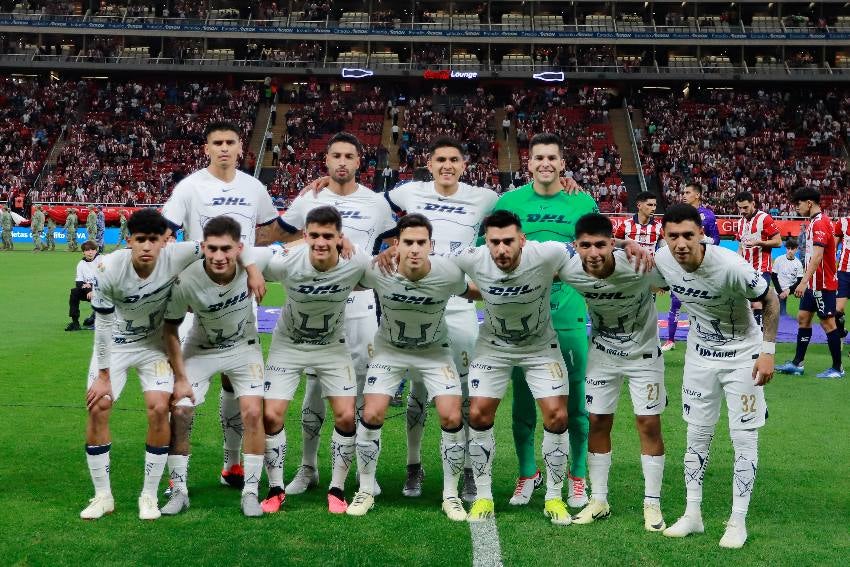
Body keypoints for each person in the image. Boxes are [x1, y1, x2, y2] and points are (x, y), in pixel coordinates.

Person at [80, 208, 261, 521]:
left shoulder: (180, 253)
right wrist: (104, 375)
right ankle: (102, 496)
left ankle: (149, 495)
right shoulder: (107, 268)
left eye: (154, 239)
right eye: (140, 240)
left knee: (159, 407)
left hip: (154, 346)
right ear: (129, 240)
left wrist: (253, 270)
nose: (147, 246)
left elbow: (225, 246)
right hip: (115, 346)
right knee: (99, 406)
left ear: (165, 241)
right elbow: (103, 325)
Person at [255, 132, 396, 497]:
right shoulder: (309, 198)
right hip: (315, 309)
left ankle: (364, 471)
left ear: (360, 161)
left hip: (360, 309)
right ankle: (308, 468)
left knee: (362, 394)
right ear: (327, 160)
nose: (342, 162)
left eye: (349, 156)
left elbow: (393, 245)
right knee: (314, 389)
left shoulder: (376, 202)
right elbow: (282, 239)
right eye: (336, 155)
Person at [163, 120, 278, 492]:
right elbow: (166, 232)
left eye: (231, 142)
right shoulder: (190, 186)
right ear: (207, 148)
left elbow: (268, 230)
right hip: (197, 294)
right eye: (218, 142)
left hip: (238, 292)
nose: (224, 148)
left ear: (241, 147)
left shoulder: (253, 187)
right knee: (181, 391)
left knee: (235, 381)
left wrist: (251, 264)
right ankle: (175, 478)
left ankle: (232, 463)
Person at [654, 204, 778, 549]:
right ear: (664, 236)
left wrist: (768, 352)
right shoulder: (662, 259)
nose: (680, 244)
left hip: (743, 357)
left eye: (688, 235)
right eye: (673, 236)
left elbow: (770, 301)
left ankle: (738, 521)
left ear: (701, 234)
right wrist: (625, 245)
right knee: (696, 435)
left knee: (744, 438)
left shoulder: (730, 265)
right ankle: (692, 514)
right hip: (699, 357)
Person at [487, 133, 598, 508]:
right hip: (522, 319)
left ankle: (578, 475)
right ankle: (527, 472)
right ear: (529, 163)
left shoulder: (582, 201)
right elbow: (487, 249)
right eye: (539, 157)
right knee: (523, 402)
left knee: (576, 402)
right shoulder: (510, 202)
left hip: (569, 315)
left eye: (552, 157)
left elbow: (596, 253)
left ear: (562, 163)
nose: (546, 163)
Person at [346, 214, 475, 521]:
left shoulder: (448, 273)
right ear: (397, 244)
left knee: (451, 415)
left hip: (435, 353)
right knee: (372, 413)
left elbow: (474, 292)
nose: (415, 249)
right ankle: (365, 490)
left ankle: (450, 495)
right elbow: (344, 278)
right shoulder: (378, 270)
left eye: (421, 242)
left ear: (431, 245)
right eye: (408, 242)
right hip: (390, 352)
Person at [452, 210, 572, 525]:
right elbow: (433, 265)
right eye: (495, 242)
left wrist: (626, 244)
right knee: (478, 413)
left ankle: (554, 497)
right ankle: (483, 496)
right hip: (493, 347)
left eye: (508, 241)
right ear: (486, 242)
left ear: (522, 239)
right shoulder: (472, 257)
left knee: (557, 416)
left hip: (540, 347)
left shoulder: (547, 252)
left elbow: (587, 250)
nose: (501, 249)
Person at [257, 206, 370, 514]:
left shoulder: (356, 260)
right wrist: (254, 270)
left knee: (346, 416)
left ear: (339, 237)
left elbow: (384, 274)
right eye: (315, 235)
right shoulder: (286, 260)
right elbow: (246, 255)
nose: (321, 242)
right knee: (272, 415)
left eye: (328, 236)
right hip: (288, 345)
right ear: (305, 235)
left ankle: (337, 489)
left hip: (332, 346)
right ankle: (275, 488)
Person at [560, 214, 669, 532]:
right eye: (586, 245)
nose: (593, 253)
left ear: (611, 244)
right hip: (602, 356)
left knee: (649, 424)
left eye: (601, 244)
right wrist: (624, 240)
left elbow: (674, 280)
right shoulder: (568, 267)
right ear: (575, 246)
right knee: (597, 421)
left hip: (644, 356)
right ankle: (599, 500)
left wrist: (630, 245)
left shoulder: (639, 265)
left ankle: (652, 503)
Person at [160, 216, 267, 517]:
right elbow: (170, 329)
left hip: (244, 347)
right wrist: (179, 376)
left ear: (239, 249)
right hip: (201, 347)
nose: (219, 256)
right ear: (203, 247)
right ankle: (179, 490)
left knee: (253, 412)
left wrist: (253, 269)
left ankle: (250, 491)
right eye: (213, 249)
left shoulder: (255, 263)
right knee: (180, 410)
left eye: (226, 249)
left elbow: (300, 250)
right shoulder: (186, 279)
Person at [776, 188, 843, 378]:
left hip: (822, 284)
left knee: (828, 323)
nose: (796, 208)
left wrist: (803, 281)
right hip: (813, 283)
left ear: (809, 203)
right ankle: (797, 363)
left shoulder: (820, 223)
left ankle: (837, 368)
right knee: (803, 318)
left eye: (798, 204)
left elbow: (818, 256)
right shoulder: (814, 222)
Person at [662, 183, 720, 352]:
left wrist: (704, 240)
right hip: (680, 265)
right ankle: (670, 340)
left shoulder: (708, 215)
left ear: (697, 195)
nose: (684, 195)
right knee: (675, 303)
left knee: (701, 305)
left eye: (688, 192)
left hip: (701, 266)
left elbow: (716, 240)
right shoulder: (679, 214)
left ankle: (703, 339)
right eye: (684, 192)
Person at [735, 192, 781, 327]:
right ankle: (750, 332)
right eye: (740, 208)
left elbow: (778, 242)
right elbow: (740, 246)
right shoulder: (740, 222)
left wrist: (759, 242)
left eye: (745, 207)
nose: (742, 211)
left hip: (762, 268)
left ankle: (759, 334)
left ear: (753, 204)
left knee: (757, 302)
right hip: (745, 269)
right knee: (743, 303)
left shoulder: (765, 218)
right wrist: (736, 262)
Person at [615, 191, 662, 255]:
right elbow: (615, 245)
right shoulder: (625, 225)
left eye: (655, 205)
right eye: (650, 205)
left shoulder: (659, 227)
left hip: (650, 261)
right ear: (639, 205)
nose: (653, 209)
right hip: (629, 261)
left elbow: (665, 248)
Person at [65, 241, 99, 331]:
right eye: (87, 250)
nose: (90, 252)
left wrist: (92, 287)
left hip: (103, 291)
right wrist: (89, 290)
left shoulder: (102, 260)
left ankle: (99, 320)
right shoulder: (81, 264)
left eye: (93, 250)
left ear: (96, 251)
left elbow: (106, 280)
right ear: (83, 252)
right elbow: (79, 282)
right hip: (88, 292)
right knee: (74, 292)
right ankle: (75, 322)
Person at [771, 239, 804, 317]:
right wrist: (780, 292)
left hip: (792, 289)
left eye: (792, 249)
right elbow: (774, 277)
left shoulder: (798, 263)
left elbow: (799, 281)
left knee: (806, 292)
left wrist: (789, 290)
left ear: (796, 249)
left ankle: (803, 315)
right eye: (788, 248)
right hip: (780, 289)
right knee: (781, 314)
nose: (790, 251)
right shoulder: (779, 260)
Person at [833, 215, 850, 339]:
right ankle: (841, 332)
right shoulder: (843, 222)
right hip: (844, 272)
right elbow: (833, 246)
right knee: (838, 310)